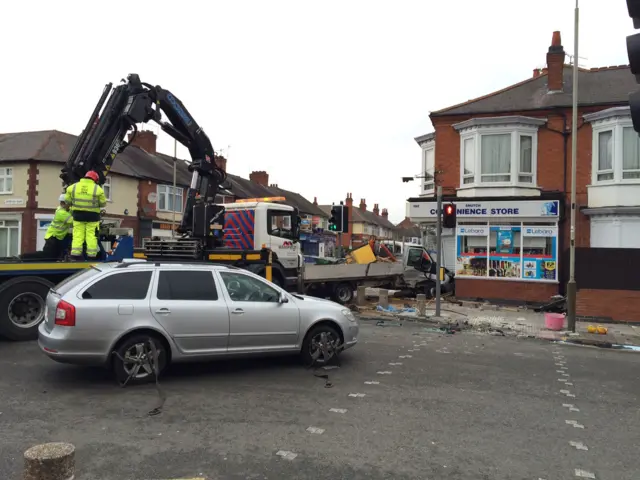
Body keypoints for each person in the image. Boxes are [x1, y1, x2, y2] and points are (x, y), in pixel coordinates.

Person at [65, 171, 107, 260]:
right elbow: (103, 204)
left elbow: (67, 201)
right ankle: (91, 255)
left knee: (78, 234)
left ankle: (75, 254)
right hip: (93, 216)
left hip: (78, 215)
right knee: (91, 235)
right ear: (95, 179)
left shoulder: (72, 187)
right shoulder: (98, 189)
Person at [42, 194, 73, 260]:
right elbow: (73, 221)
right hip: (53, 237)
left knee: (55, 256)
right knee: (47, 257)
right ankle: (23, 257)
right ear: (65, 203)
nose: (70, 205)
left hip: (57, 237)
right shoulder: (61, 213)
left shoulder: (65, 210)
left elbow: (71, 210)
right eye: (69, 203)